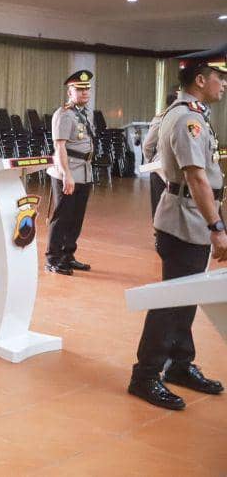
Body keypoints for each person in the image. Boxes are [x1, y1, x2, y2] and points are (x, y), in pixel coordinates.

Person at [128, 44, 226, 410]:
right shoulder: (188, 119)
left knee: (186, 297)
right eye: (220, 78)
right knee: (170, 301)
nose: (223, 85)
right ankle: (146, 374)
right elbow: (197, 179)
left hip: (191, 215)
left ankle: (180, 363)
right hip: (186, 218)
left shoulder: (193, 113)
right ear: (200, 80)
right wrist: (216, 226)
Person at [44, 70, 95, 275]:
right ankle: (53, 258)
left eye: (87, 89)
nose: (84, 93)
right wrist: (66, 174)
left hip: (85, 170)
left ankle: (68, 254)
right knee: (62, 216)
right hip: (68, 170)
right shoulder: (63, 114)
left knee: (76, 218)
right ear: (70, 92)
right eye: (80, 89)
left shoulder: (87, 113)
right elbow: (60, 146)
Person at [143, 93, 178, 218]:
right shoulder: (190, 117)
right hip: (164, 171)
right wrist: (154, 163)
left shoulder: (163, 118)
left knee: (160, 210)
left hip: (161, 169)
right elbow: (147, 146)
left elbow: (147, 145)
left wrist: (152, 162)